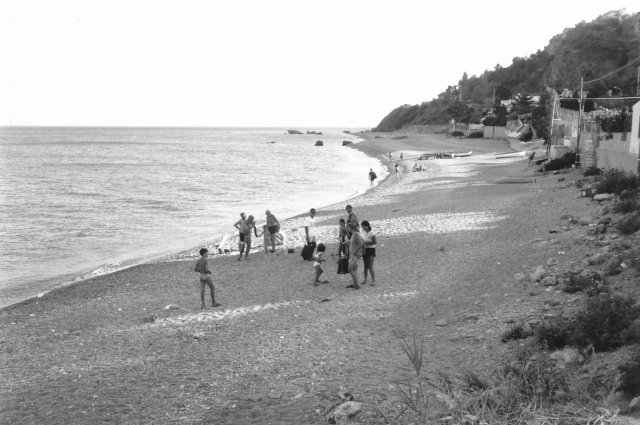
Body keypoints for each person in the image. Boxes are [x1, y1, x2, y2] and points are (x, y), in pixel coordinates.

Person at [361, 220, 377, 286]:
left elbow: (375, 242)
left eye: (364, 226)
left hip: (371, 249)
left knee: (370, 265)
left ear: (367, 226)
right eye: (362, 227)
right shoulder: (363, 233)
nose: (363, 228)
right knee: (365, 266)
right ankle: (365, 279)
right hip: (365, 249)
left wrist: (367, 242)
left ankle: (373, 280)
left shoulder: (372, 233)